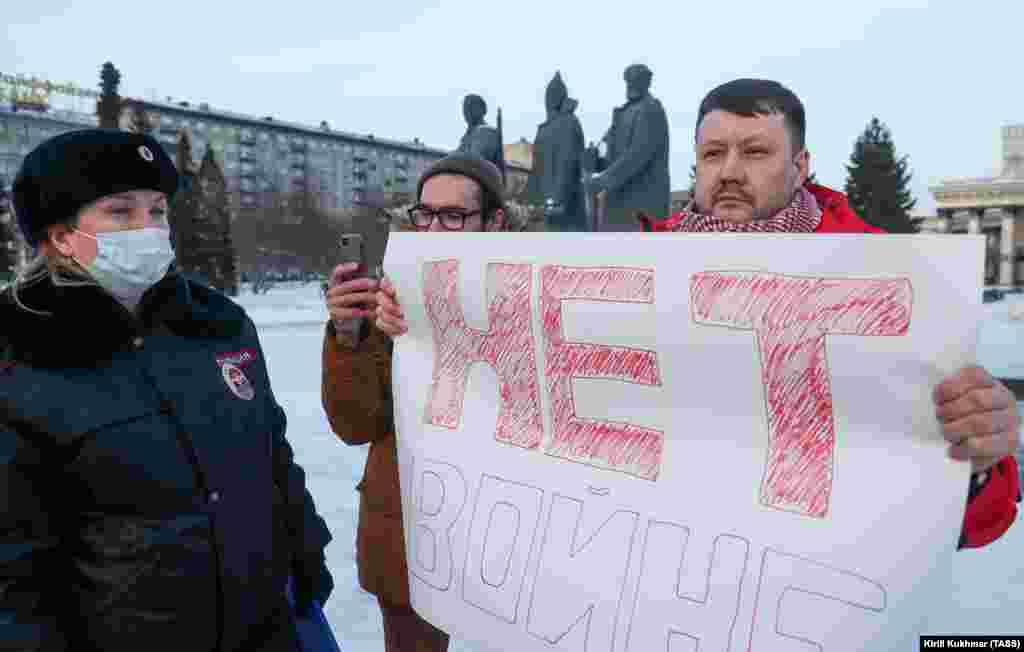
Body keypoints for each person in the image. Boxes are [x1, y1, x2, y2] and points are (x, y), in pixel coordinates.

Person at [376, 80, 1021, 550]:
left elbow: (975, 519)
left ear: (801, 166)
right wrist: (430, 323)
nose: (730, 172)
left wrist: (982, 462)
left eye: (756, 152)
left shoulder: (886, 284)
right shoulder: (635, 278)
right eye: (713, 155)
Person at [0, 129, 333, 651]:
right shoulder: (17, 351)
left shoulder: (219, 324)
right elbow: (12, 559)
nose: (147, 228)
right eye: (119, 211)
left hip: (266, 628)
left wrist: (306, 553)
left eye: (157, 211)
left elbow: (272, 457)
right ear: (61, 234)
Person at [321, 154, 506, 652]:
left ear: (494, 222)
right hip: (408, 535)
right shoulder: (389, 295)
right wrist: (349, 334)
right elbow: (356, 424)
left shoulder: (533, 291)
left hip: (513, 532)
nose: (433, 227)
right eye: (424, 214)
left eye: (453, 216)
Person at [586, 63, 671, 232]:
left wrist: (602, 180)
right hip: (619, 203)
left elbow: (638, 154)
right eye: (629, 81)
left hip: (642, 203)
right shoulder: (624, 113)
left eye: (636, 80)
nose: (631, 84)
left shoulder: (651, 109)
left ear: (646, 82)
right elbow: (612, 157)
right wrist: (595, 160)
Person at [528, 71, 588, 232]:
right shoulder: (543, 130)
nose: (548, 99)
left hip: (567, 209)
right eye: (547, 95)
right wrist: (529, 200)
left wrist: (557, 201)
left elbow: (567, 165)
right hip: (546, 208)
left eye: (552, 95)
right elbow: (536, 169)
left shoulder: (570, 123)